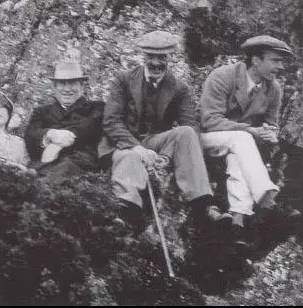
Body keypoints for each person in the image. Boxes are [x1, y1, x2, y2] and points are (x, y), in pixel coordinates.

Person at [98, 30, 230, 229]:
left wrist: (167, 156)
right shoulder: (123, 80)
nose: (156, 63)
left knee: (186, 132)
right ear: (143, 56)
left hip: (155, 142)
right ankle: (126, 211)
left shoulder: (179, 88)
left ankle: (202, 204)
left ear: (169, 58)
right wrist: (137, 148)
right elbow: (111, 121)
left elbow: (190, 126)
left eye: (161, 58)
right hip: (124, 143)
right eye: (151, 57)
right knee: (129, 158)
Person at [200, 35, 302, 248]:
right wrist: (252, 131)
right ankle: (268, 200)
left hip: (238, 145)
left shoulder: (273, 89)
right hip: (207, 139)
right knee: (244, 139)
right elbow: (209, 120)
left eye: (281, 62)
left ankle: (237, 219)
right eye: (275, 60)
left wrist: (270, 134)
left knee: (239, 155)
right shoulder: (222, 76)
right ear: (256, 60)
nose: (280, 67)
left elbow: (271, 123)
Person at [25, 60, 104, 182]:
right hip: (42, 164)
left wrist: (58, 144)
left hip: (78, 164)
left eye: (72, 83)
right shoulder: (41, 111)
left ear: (82, 86)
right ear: (55, 87)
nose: (67, 89)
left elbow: (89, 126)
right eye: (62, 84)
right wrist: (50, 134)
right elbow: (30, 134)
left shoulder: (97, 107)